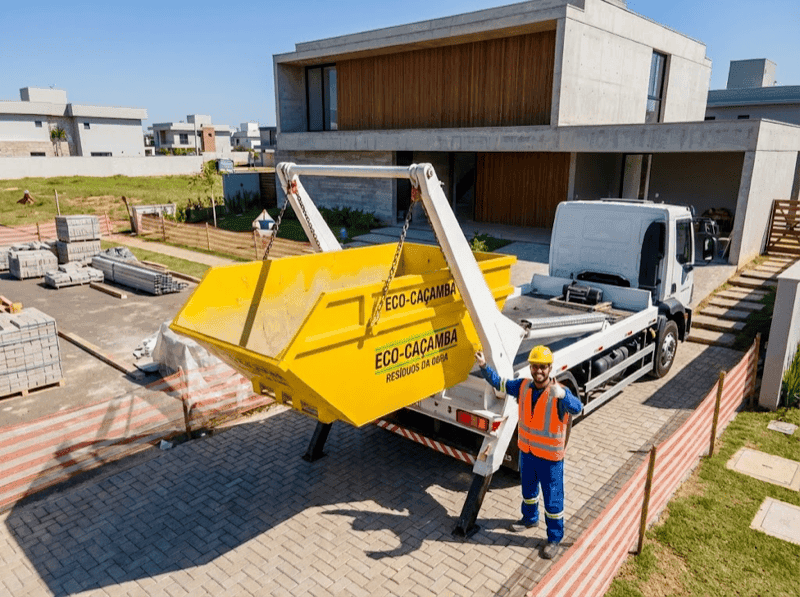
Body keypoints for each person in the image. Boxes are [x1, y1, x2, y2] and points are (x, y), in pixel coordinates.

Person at [475, 345, 582, 560]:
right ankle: (529, 519)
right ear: (530, 368)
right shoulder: (523, 386)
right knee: (528, 490)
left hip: (550, 460)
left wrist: (564, 396)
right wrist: (484, 366)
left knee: (553, 500)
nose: (538, 371)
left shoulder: (559, 392)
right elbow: (499, 383)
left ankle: (554, 538)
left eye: (543, 367)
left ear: (549, 368)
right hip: (528, 453)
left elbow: (577, 408)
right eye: (535, 366)